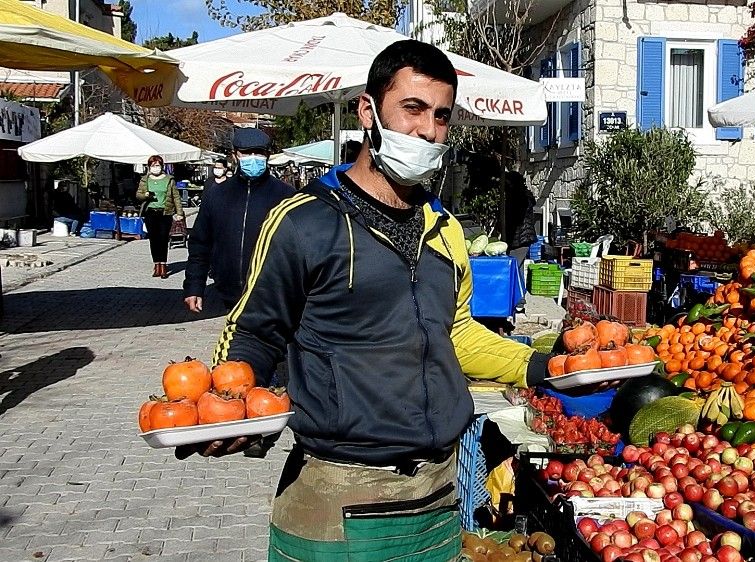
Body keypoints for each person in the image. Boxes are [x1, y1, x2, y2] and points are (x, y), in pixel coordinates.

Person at [179, 40, 549, 561]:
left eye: (442, 116)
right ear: (368, 112)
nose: (428, 131)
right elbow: (255, 332)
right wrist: (230, 410)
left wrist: (548, 368)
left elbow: (455, 334)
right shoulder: (304, 222)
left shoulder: (444, 228)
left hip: (439, 498)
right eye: (413, 108)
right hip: (339, 500)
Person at [183, 128, 295, 313]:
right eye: (246, 153)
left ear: (267, 155)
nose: (253, 158)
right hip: (228, 291)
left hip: (273, 293)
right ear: (235, 155)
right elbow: (200, 243)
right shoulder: (217, 194)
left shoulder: (286, 195)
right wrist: (194, 285)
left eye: (259, 153)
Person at [137, 155, 184, 278]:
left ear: (162, 166)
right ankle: (156, 264)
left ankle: (163, 265)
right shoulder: (145, 180)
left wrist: (179, 213)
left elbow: (176, 197)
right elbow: (138, 195)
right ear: (149, 167)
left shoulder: (169, 180)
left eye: (157, 165)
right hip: (150, 213)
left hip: (165, 212)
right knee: (153, 239)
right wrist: (145, 195)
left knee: (163, 239)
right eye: (153, 166)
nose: (156, 168)